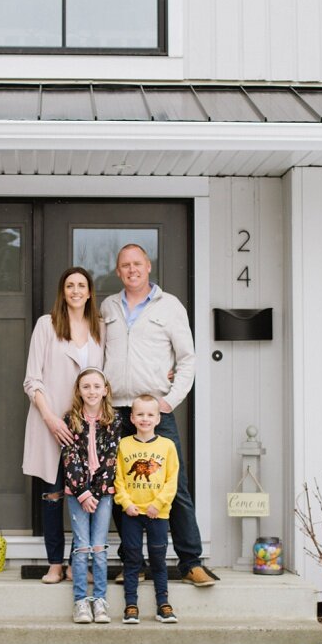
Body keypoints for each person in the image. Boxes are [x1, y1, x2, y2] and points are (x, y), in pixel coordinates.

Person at [101, 243, 216, 587]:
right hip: (117, 412)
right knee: (124, 488)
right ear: (118, 271)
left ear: (148, 266)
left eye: (137, 263)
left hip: (155, 412)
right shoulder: (108, 307)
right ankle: (133, 564)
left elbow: (187, 358)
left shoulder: (170, 306)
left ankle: (191, 562)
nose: (131, 269)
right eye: (125, 265)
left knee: (173, 486)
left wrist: (170, 401)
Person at [22, 266, 103, 584]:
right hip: (52, 422)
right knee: (54, 495)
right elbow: (32, 379)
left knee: (85, 496)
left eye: (82, 285)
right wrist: (50, 419)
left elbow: (107, 375)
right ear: (63, 291)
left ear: (90, 292)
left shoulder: (100, 329)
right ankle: (55, 563)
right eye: (70, 285)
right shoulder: (47, 325)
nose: (76, 290)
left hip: (89, 426)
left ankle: (76, 563)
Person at [59, 367, 123, 624]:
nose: (92, 391)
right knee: (81, 547)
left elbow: (110, 460)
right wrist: (83, 493)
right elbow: (70, 458)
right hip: (77, 493)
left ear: (105, 390)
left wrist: (95, 493)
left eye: (97, 386)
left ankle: (100, 600)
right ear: (78, 391)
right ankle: (80, 602)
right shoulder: (70, 419)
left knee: (99, 547)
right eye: (86, 386)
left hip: (104, 493)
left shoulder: (115, 420)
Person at [114, 394, 179, 624]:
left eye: (150, 414)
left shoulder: (167, 446)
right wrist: (126, 503)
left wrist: (158, 504)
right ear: (131, 418)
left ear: (158, 418)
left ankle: (163, 604)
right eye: (140, 414)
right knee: (132, 560)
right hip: (132, 513)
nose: (145, 419)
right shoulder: (124, 445)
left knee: (158, 560)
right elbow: (118, 479)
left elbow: (172, 481)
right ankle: (131, 605)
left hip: (157, 514)